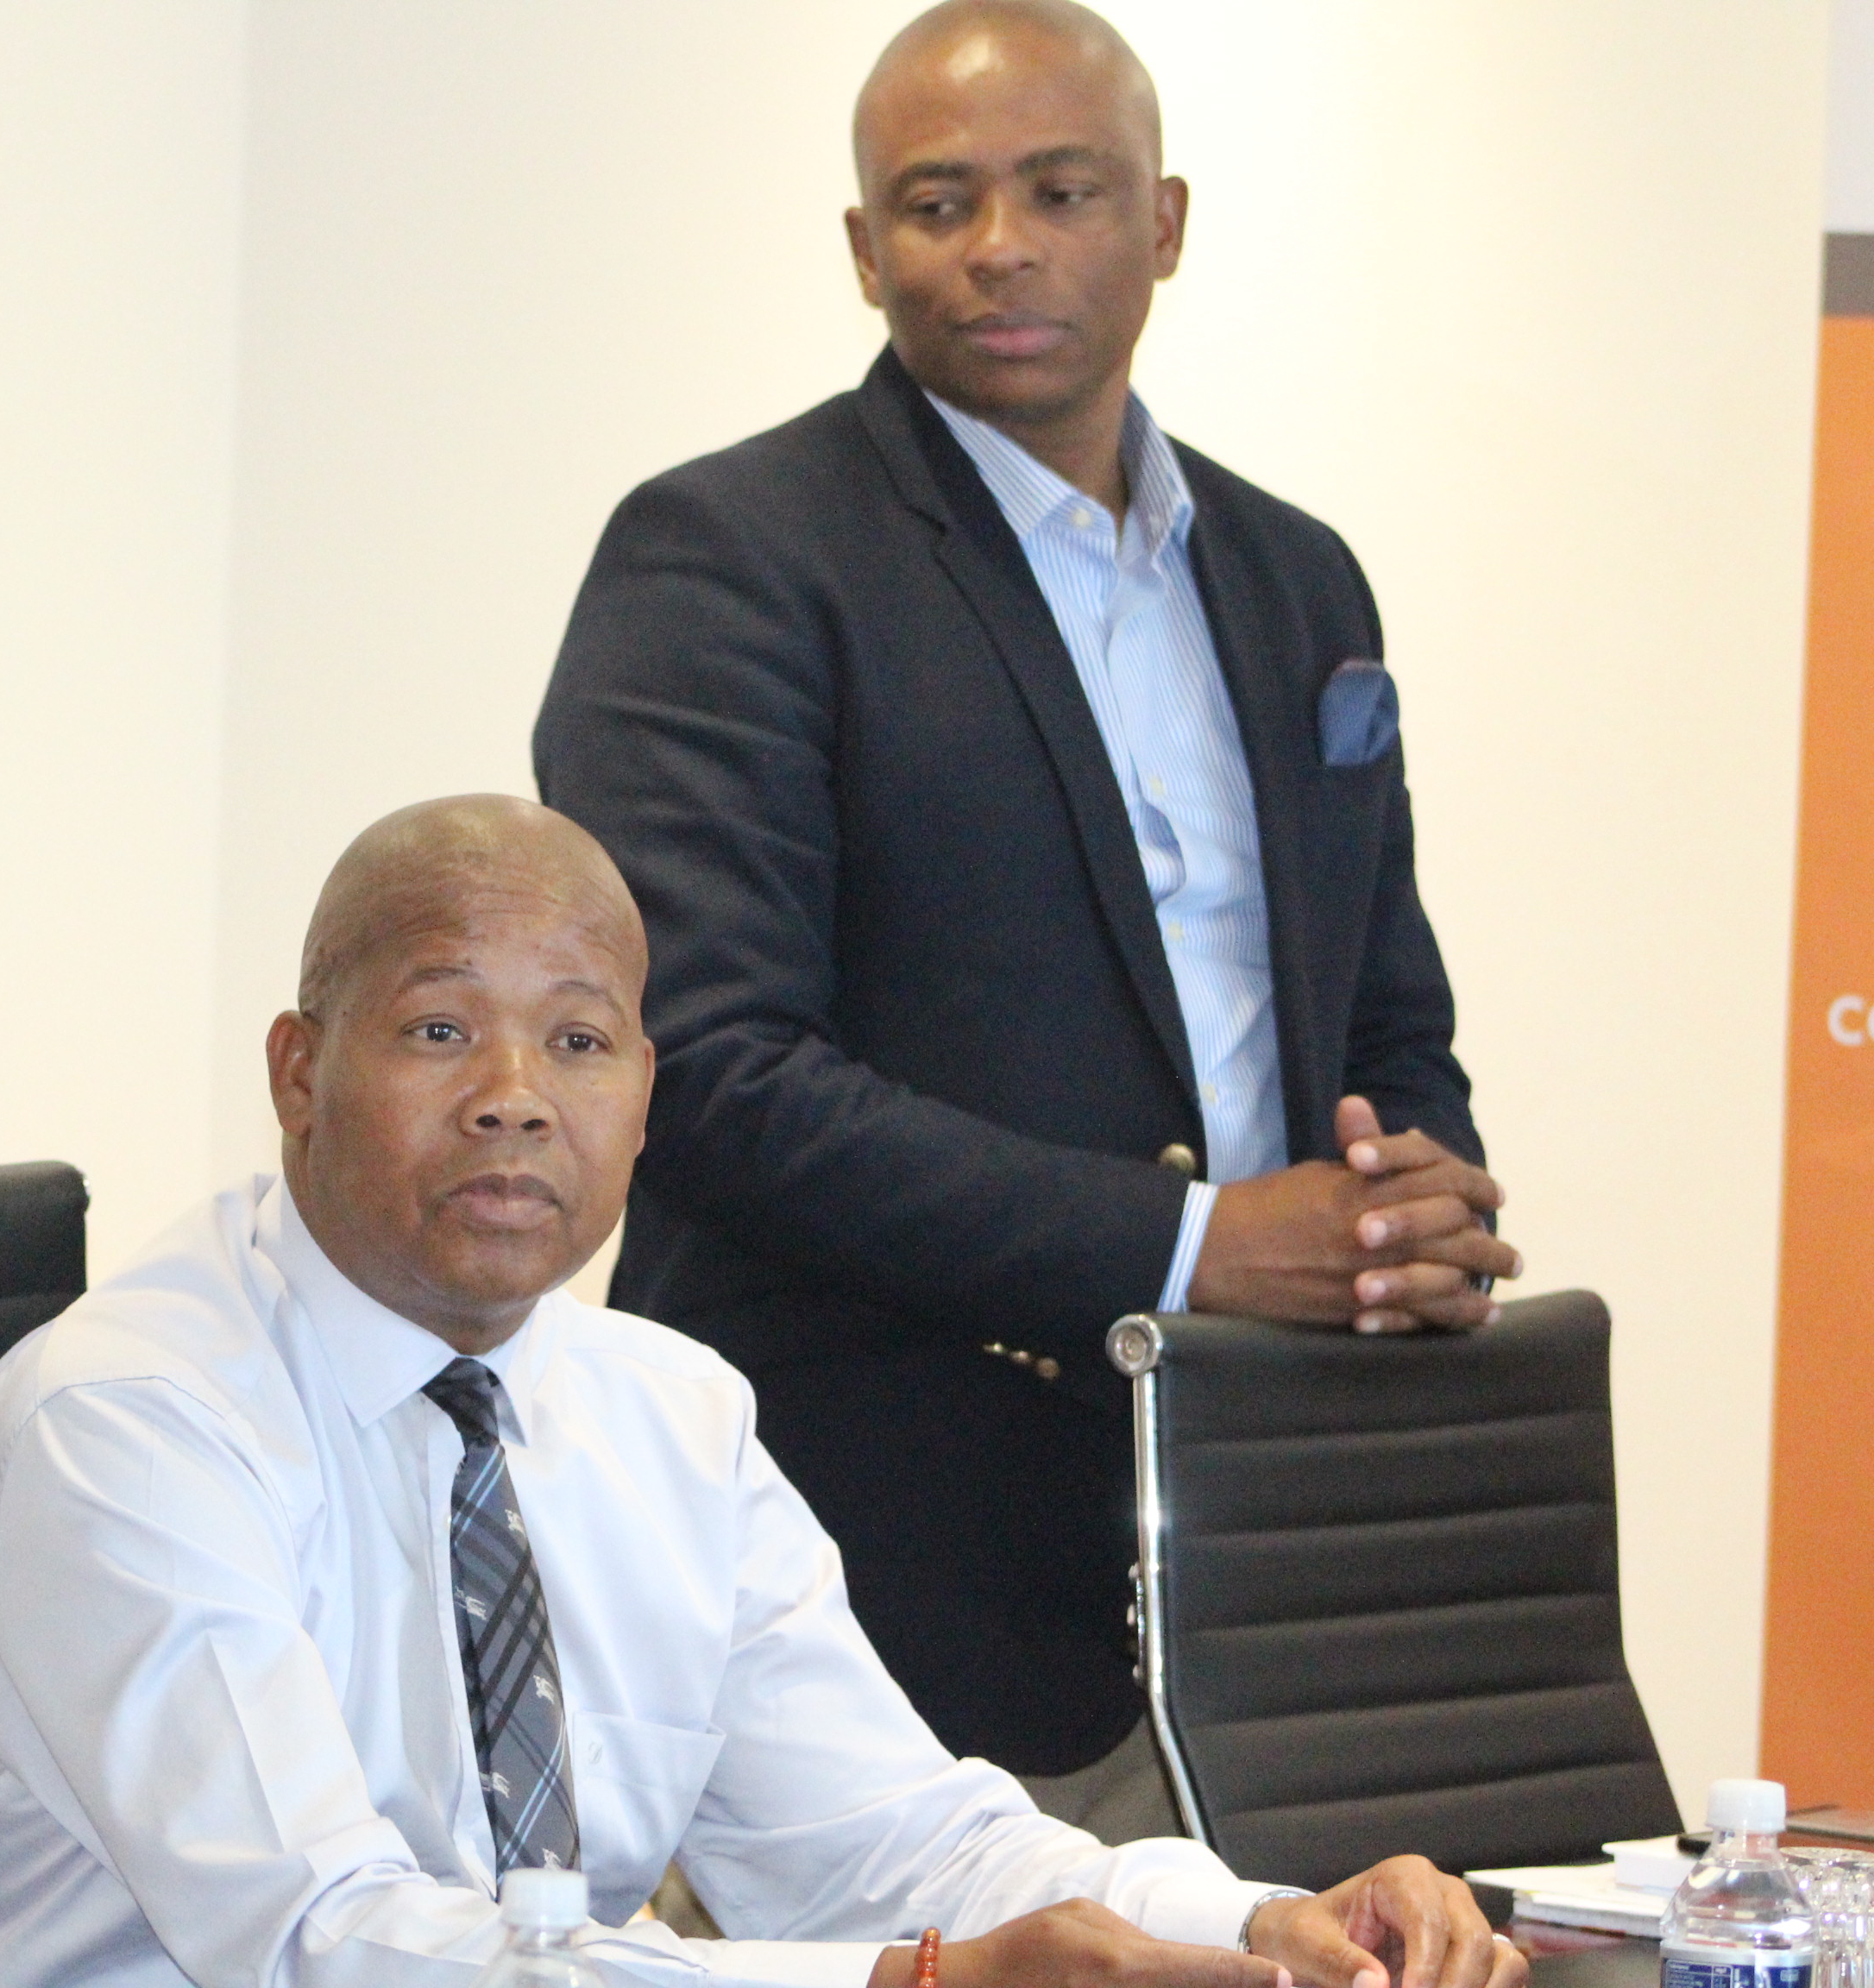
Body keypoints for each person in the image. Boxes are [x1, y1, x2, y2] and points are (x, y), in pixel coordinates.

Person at [0, 793, 1523, 1988]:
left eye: (579, 1042)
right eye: (440, 1031)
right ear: (298, 1071)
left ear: (646, 1095)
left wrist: (1255, 1922)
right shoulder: (127, 1419)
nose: (516, 1097)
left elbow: (900, 1846)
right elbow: (323, 1943)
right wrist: (912, 1984)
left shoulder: (674, 1415)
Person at [530, 0, 1521, 1830]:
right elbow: (714, 1073)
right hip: (875, 1575)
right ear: (863, 248)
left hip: (1275, 1568)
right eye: (939, 203)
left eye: (1062, 191)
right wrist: (1193, 1246)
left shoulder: (1299, 577)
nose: (1000, 246)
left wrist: (1407, 1207)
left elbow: (1382, 1010)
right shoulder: (729, 557)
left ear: (1166, 222)